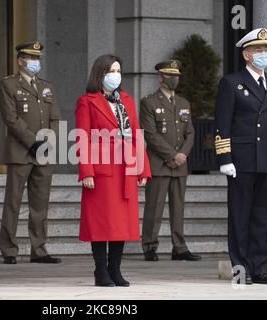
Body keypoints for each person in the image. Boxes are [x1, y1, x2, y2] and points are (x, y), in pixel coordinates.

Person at [214, 28, 267, 285]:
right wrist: (225, 158)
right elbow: (222, 123)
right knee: (240, 216)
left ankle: (259, 268)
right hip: (241, 160)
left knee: (261, 217)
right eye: (258, 51)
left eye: (266, 50)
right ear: (246, 55)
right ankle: (241, 270)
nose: (263, 54)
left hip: (266, 158)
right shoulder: (232, 83)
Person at [75, 54, 151, 287]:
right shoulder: (87, 101)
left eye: (118, 71)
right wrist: (86, 171)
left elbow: (136, 134)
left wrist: (143, 169)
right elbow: (82, 138)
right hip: (101, 168)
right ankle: (100, 271)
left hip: (125, 167)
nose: (115, 76)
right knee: (101, 223)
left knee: (121, 223)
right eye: (111, 71)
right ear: (100, 74)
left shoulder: (126, 100)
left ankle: (115, 270)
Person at [0, 41, 62, 264]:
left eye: (38, 59)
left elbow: (55, 117)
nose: (35, 62)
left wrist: (48, 140)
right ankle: (9, 249)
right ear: (20, 60)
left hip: (43, 152)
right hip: (20, 151)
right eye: (31, 58)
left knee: (40, 203)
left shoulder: (46, 86)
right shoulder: (8, 85)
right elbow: (11, 119)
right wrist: (32, 141)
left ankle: (39, 249)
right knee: (13, 202)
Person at [140, 60, 201, 262]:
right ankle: (150, 246)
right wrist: (171, 156)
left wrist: (182, 154)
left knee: (178, 208)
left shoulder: (184, 103)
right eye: (169, 75)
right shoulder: (149, 102)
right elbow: (150, 134)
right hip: (159, 164)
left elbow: (190, 133)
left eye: (176, 76)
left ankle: (179, 247)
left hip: (180, 165)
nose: (174, 79)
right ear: (160, 77)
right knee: (154, 207)